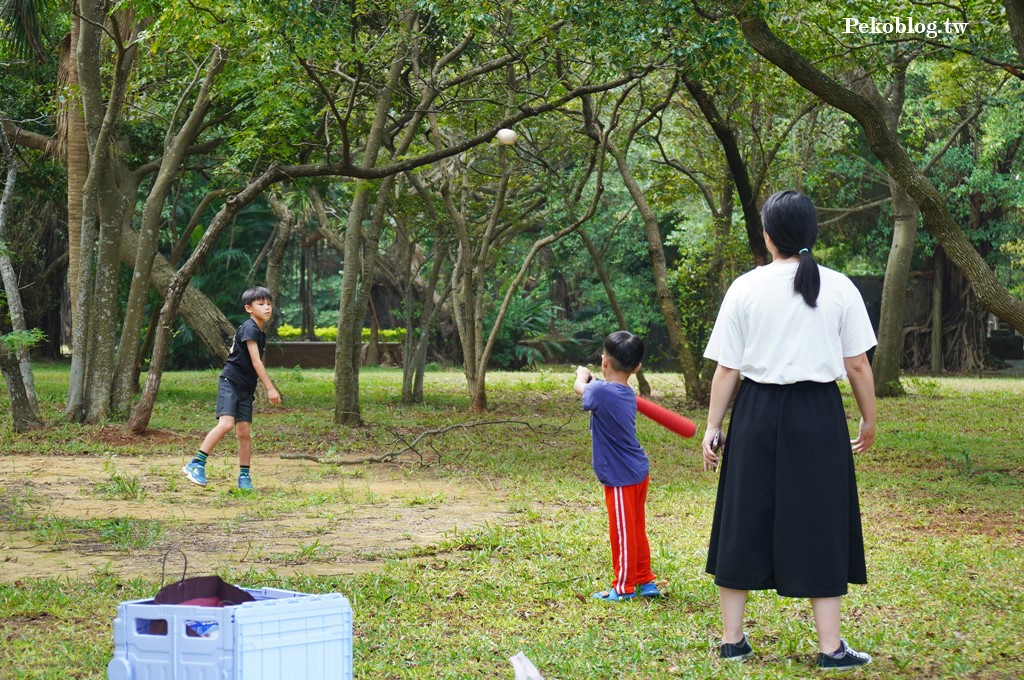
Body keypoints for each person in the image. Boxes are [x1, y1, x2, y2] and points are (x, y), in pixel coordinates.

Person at [701, 190, 877, 671]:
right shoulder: (840, 287)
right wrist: (869, 417)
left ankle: (732, 642)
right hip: (818, 415)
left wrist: (713, 426)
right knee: (821, 521)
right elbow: (858, 365)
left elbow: (726, 370)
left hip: (756, 412)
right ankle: (830, 649)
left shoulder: (744, 288)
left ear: (768, 235)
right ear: (810, 232)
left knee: (742, 519)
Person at [574, 331, 663, 602]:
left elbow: (584, 390)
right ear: (636, 369)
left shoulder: (600, 391)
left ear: (604, 362)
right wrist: (594, 380)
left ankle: (623, 588)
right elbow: (600, 389)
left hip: (622, 476)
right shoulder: (624, 391)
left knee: (622, 533)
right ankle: (645, 579)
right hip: (635, 471)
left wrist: (581, 376)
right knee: (635, 529)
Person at [183, 286, 282, 491]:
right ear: (249, 308)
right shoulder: (249, 328)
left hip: (246, 387)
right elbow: (256, 362)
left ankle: (244, 477)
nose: (267, 308)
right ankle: (196, 463)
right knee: (226, 424)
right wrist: (270, 388)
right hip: (231, 382)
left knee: (244, 432)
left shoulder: (259, 331)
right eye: (261, 304)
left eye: (269, 304)